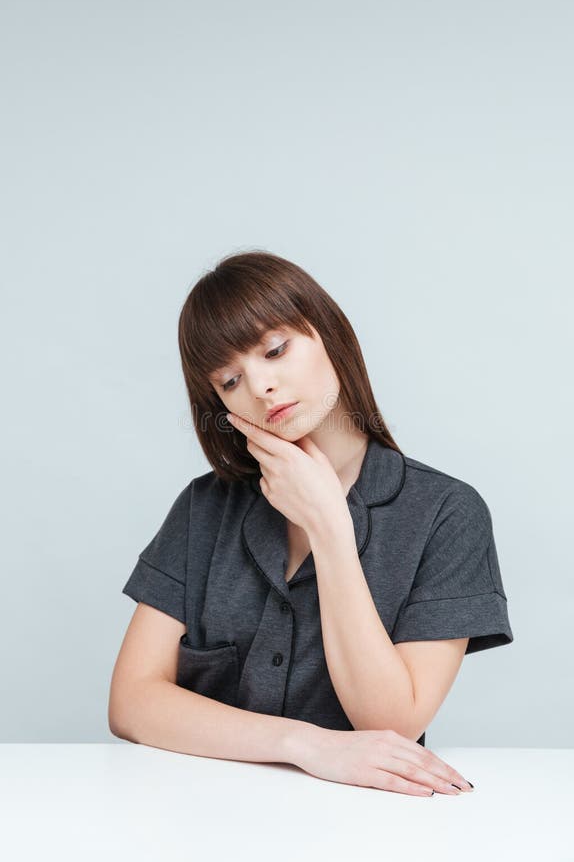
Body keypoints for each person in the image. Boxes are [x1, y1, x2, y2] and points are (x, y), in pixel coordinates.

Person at [109, 250, 513, 798]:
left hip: (363, 826)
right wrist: (306, 745)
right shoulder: (203, 508)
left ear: (327, 332)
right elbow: (131, 702)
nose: (261, 387)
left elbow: (394, 725)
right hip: (198, 811)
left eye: (275, 350)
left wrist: (328, 526)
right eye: (229, 381)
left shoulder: (447, 513)